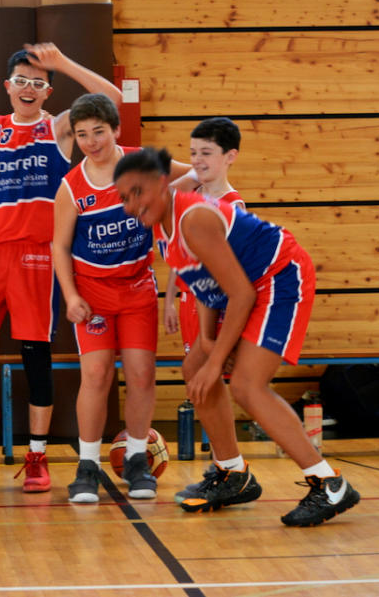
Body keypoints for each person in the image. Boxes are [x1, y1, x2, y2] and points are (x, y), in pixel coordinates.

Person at [0, 15, 118, 494]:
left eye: (38, 83)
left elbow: (111, 98)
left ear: (47, 92)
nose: (29, 88)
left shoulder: (60, 129)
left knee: (35, 354)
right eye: (22, 81)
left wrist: (62, 63)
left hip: (35, 257)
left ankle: (36, 456)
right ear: (8, 86)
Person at [114, 147, 360, 527]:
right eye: (124, 197)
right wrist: (208, 344)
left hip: (280, 276)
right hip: (248, 287)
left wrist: (216, 362)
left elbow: (241, 294)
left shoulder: (194, 219)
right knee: (193, 368)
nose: (131, 205)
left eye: (137, 192)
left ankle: (329, 482)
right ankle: (233, 473)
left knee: (247, 386)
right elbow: (207, 286)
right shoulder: (163, 226)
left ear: (163, 185)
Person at [50, 80, 191, 504]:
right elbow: (59, 246)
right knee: (96, 375)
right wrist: (71, 297)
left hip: (137, 288)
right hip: (92, 293)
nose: (91, 141)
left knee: (142, 373)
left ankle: (136, 459)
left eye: (98, 131)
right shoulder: (71, 186)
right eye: (82, 134)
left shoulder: (142, 163)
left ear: (116, 130)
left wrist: (172, 197)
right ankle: (87, 465)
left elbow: (196, 175)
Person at [162, 118, 244, 504]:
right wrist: (168, 297)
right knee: (197, 379)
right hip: (190, 298)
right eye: (193, 153)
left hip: (216, 304)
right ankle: (226, 466)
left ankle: (228, 467)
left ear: (230, 157)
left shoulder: (232, 205)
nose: (197, 160)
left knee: (206, 380)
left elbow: (225, 273)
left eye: (206, 153)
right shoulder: (193, 195)